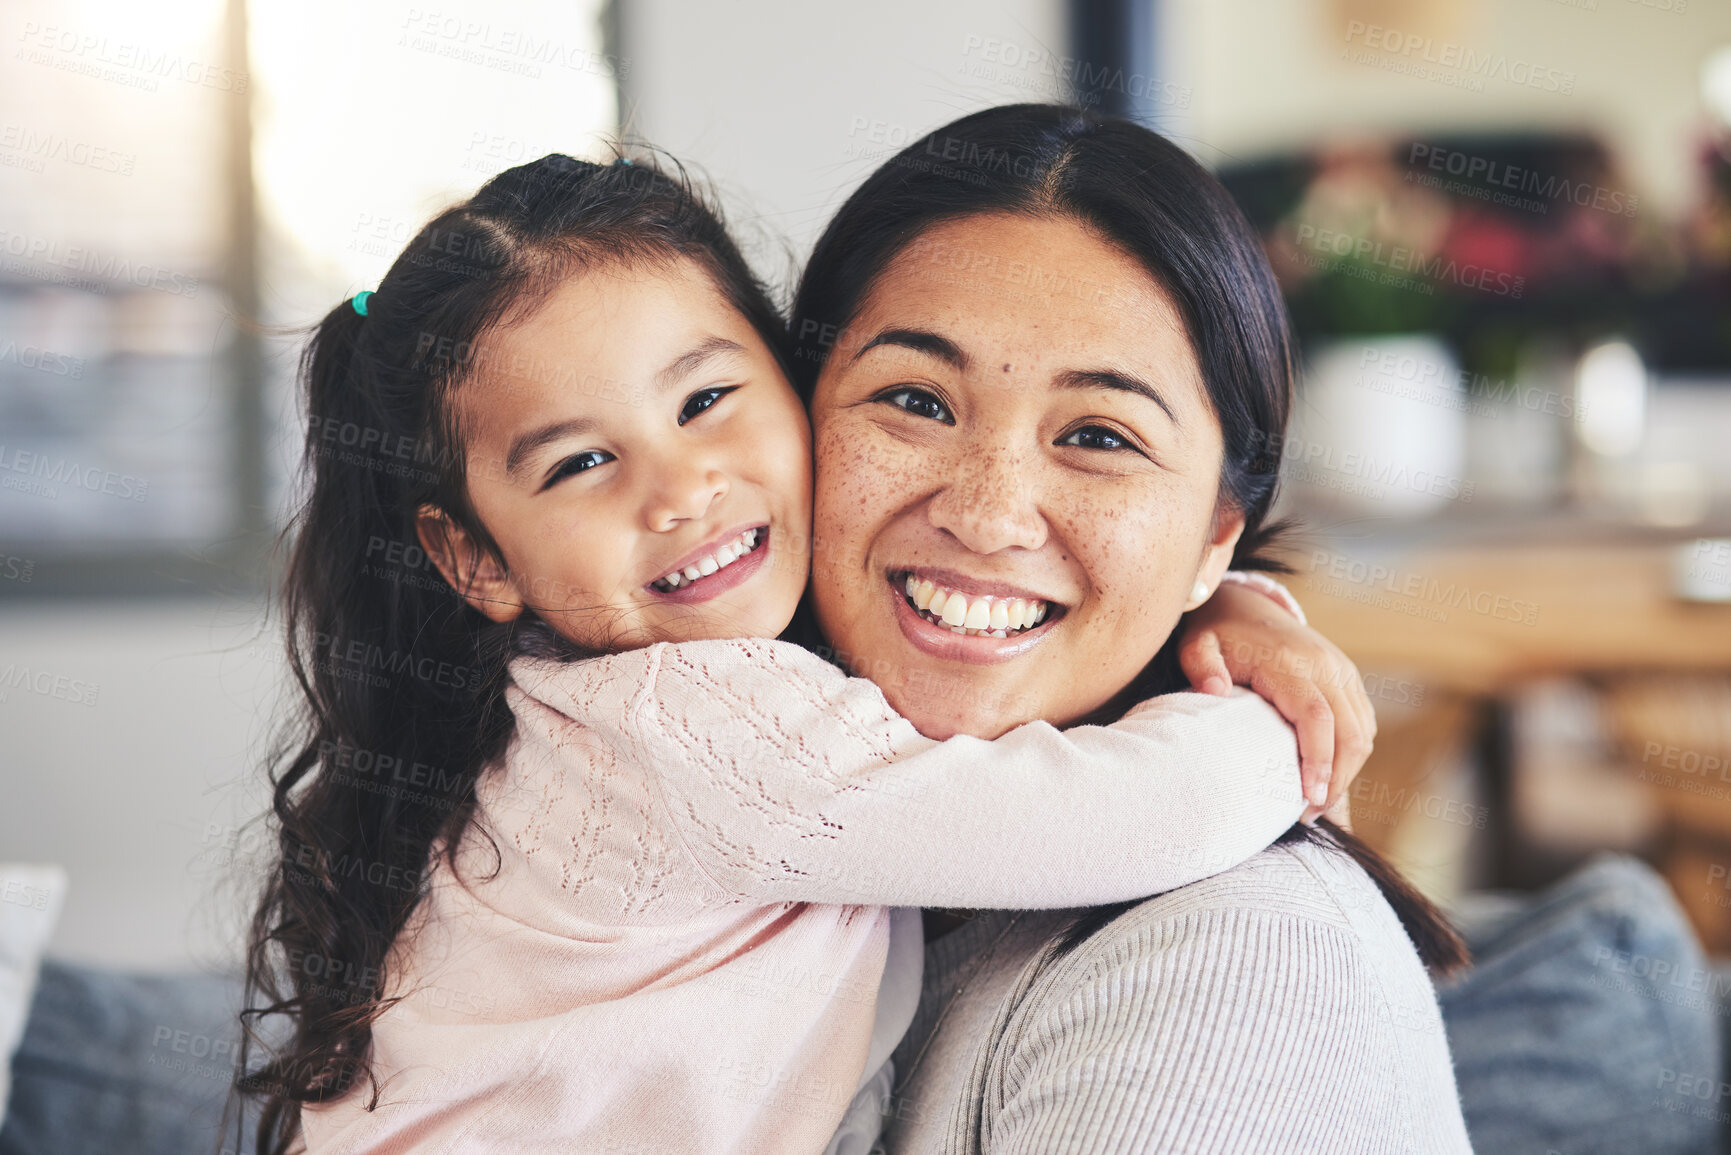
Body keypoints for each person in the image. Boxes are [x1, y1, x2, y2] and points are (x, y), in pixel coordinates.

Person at [237, 152, 1377, 1155]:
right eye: (580, 464)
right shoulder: (695, 725)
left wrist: (1224, 609)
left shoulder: (1237, 961)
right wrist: (1272, 718)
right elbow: (1128, 812)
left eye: (709, 399)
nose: (683, 491)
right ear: (477, 560)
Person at [787, 103, 1475, 1153]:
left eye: (1100, 435)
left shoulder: (1236, 965)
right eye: (917, 401)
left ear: (1216, 537)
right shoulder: (698, 786)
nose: (987, 510)